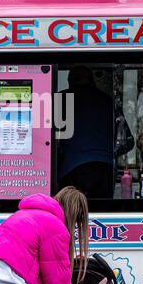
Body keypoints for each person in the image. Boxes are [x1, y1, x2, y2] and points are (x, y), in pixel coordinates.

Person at [57, 67, 114, 198]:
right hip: (105, 169)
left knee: (74, 212)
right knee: (104, 210)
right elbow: (125, 140)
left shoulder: (61, 99)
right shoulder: (107, 100)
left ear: (70, 81)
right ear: (93, 81)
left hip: (72, 168)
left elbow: (49, 136)